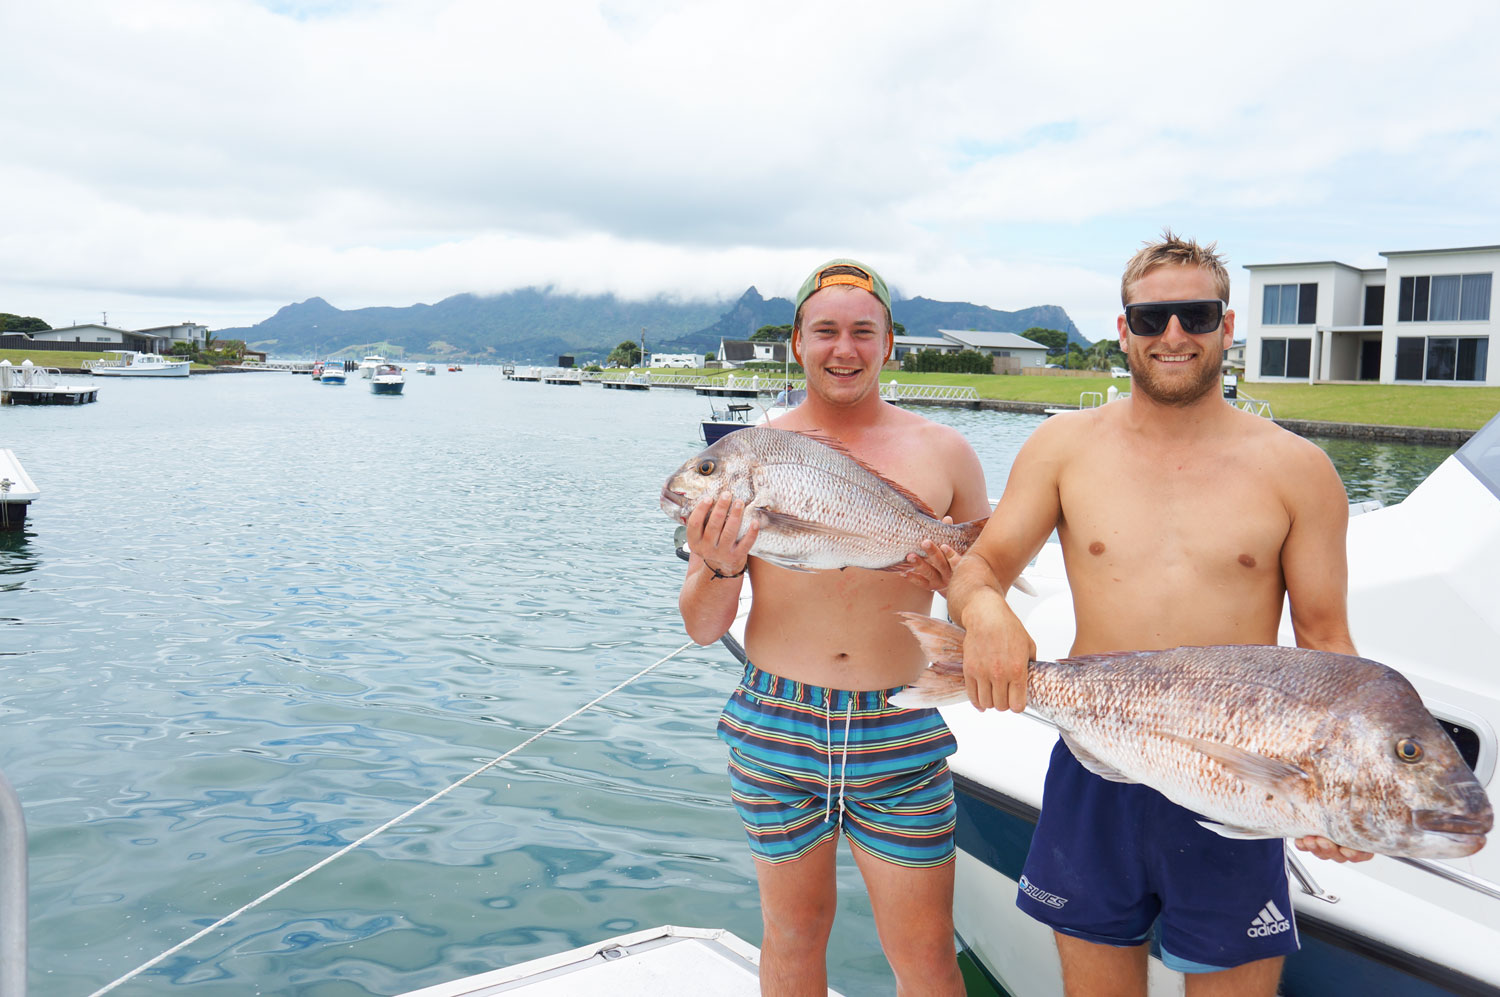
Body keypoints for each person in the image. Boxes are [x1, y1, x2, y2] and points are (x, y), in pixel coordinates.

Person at [944, 231, 1374, 997]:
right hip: (1095, 765)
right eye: (1151, 319)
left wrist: (1338, 794)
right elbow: (979, 566)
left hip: (1235, 777)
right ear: (1124, 331)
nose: (1173, 336)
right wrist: (984, 610)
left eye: (1195, 315)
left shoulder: (1297, 469)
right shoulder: (1063, 448)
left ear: (1226, 326)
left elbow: (1327, 648)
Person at [676, 259, 991, 996]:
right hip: (776, 722)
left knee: (924, 953)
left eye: (861, 331)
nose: (842, 348)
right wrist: (720, 565)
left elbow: (986, 585)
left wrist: (960, 583)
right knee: (791, 936)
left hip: (898, 723)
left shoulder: (946, 452)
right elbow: (699, 625)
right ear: (795, 344)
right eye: (825, 331)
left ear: (889, 346)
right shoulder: (748, 456)